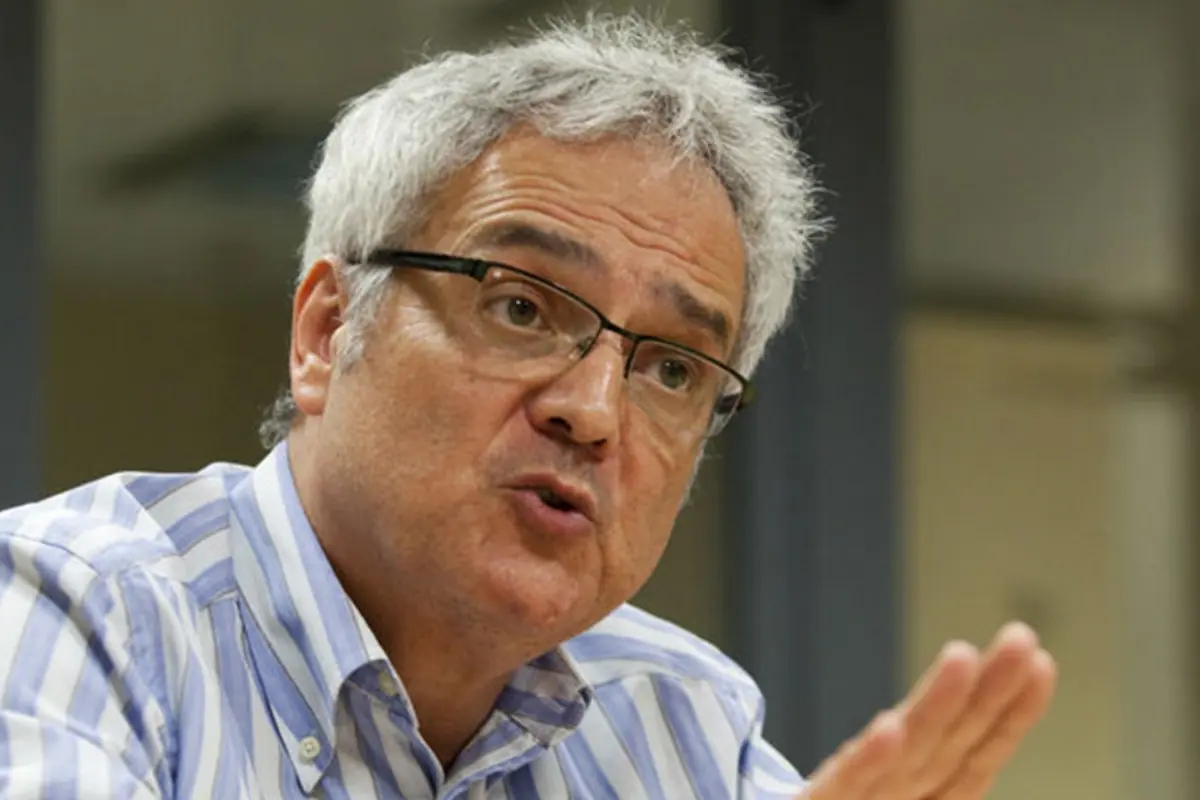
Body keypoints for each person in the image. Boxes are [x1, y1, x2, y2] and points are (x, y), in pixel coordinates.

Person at [0, 13, 1055, 799]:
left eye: (675, 368)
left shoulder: (685, 723)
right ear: (327, 331)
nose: (594, 410)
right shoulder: (68, 617)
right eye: (521, 305)